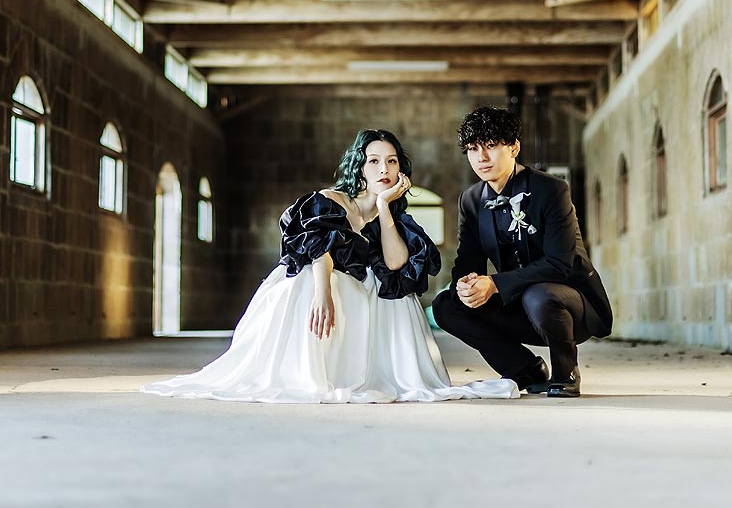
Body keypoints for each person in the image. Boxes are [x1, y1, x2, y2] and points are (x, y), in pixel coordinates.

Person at [143, 129, 517, 404]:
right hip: (318, 277)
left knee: (393, 293)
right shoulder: (330, 199)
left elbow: (395, 264)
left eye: (391, 161)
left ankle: (368, 370)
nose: (383, 169)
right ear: (360, 167)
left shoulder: (394, 216)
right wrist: (322, 294)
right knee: (316, 279)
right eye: (373, 161)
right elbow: (316, 251)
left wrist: (384, 207)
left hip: (359, 290)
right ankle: (311, 370)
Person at [433, 106, 613, 398]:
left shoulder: (551, 190)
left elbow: (560, 264)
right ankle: (526, 370)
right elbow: (468, 260)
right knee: (446, 305)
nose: (481, 157)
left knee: (539, 295)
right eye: (473, 149)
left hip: (570, 306)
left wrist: (495, 283)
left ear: (514, 147)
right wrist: (465, 286)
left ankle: (565, 371)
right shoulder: (471, 200)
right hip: (517, 302)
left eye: (491, 145)